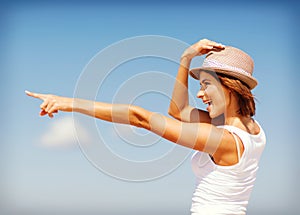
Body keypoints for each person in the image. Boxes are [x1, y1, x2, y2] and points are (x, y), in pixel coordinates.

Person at [26, 39, 266, 215]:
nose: (200, 94)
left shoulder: (222, 140)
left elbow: (138, 117)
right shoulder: (253, 131)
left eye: (206, 85)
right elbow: (179, 112)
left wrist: (69, 103)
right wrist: (185, 58)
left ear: (230, 87)